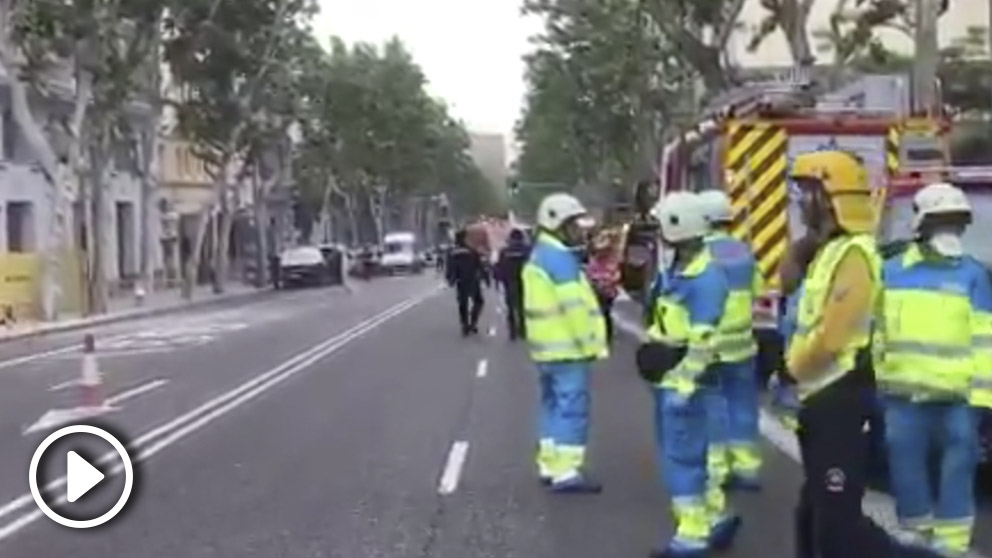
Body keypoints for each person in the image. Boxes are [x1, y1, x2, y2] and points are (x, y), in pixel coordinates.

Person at [786, 150, 946, 558]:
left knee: (837, 528)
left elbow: (834, 336)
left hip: (841, 398)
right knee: (813, 514)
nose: (801, 202)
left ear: (830, 197)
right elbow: (793, 294)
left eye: (808, 192)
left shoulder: (854, 255)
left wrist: (791, 367)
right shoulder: (828, 251)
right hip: (821, 398)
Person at [874, 182, 992, 557]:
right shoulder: (889, 272)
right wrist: (875, 386)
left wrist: (981, 399)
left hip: (959, 399)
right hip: (903, 397)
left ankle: (952, 545)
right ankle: (915, 533)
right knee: (904, 465)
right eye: (943, 221)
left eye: (956, 222)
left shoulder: (973, 275)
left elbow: (985, 341)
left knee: (958, 470)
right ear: (921, 226)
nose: (950, 230)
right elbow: (876, 333)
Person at [640, 191, 740, 558]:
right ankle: (713, 518)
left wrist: (683, 386)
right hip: (672, 377)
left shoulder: (704, 279)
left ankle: (692, 534)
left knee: (682, 461)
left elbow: (702, 341)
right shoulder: (679, 271)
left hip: (685, 382)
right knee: (693, 455)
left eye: (660, 230)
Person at [523, 192, 608, 493]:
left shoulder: (540, 254)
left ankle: (549, 463)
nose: (579, 230)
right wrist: (593, 345)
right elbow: (575, 309)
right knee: (572, 408)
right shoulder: (560, 260)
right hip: (568, 349)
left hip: (545, 349)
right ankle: (567, 471)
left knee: (551, 405)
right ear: (557, 223)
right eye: (573, 223)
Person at [695, 189, 763, 493]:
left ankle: (717, 468)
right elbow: (757, 290)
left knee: (712, 407)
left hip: (710, 346)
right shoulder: (743, 252)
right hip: (742, 345)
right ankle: (746, 467)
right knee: (743, 406)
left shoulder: (697, 254)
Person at [446, 229, 489, 336]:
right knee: (478, 301)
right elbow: (480, 266)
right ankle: (473, 322)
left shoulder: (452, 252)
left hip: (460, 281)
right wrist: (486, 278)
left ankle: (464, 324)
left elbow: (449, 267)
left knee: (462, 303)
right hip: (472, 280)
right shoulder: (472, 251)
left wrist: (450, 279)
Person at [585, 231, 621, 344]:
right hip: (596, 290)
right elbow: (589, 273)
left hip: (607, 293)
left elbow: (615, 276)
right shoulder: (594, 260)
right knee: (596, 312)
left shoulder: (611, 262)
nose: (599, 253)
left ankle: (606, 335)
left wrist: (604, 282)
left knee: (605, 313)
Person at [495, 229, 530, 340]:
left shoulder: (504, 251)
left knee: (510, 307)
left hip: (509, 281)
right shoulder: (527, 250)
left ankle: (512, 330)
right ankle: (523, 329)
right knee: (522, 306)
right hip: (524, 281)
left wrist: (498, 280)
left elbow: (499, 267)